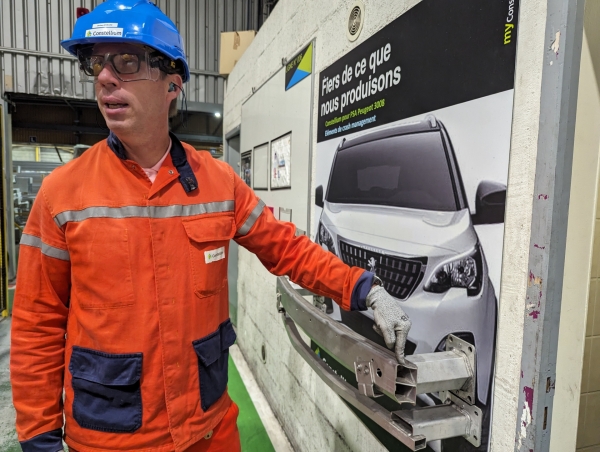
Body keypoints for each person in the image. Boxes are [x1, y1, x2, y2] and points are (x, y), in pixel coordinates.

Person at [9, 1, 411, 451]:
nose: (105, 77)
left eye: (126, 61)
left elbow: (287, 248)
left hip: (206, 428)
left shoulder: (218, 183)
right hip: (110, 438)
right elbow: (37, 324)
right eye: (97, 63)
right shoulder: (62, 193)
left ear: (172, 83)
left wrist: (364, 288)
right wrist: (40, 437)